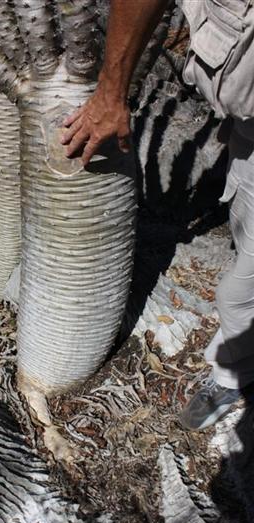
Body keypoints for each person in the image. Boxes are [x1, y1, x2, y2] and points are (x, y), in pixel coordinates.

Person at [61, 0, 254, 430]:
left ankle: (232, 372)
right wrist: (110, 92)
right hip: (248, 111)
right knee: (245, 229)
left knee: (240, 290)